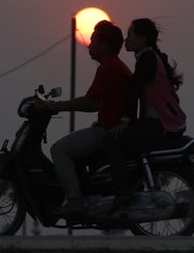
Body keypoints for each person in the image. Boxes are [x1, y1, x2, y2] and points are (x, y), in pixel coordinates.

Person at [37, 20, 132, 214]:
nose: (89, 45)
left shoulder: (109, 67)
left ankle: (75, 200)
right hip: (107, 126)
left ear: (105, 44)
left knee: (59, 149)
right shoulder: (115, 66)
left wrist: (55, 106)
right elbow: (96, 104)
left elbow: (89, 101)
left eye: (94, 41)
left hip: (106, 129)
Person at [105, 18, 186, 201]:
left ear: (141, 39)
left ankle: (122, 192)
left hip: (158, 123)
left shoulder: (147, 60)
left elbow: (132, 92)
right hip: (162, 122)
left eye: (130, 35)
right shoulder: (152, 58)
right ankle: (135, 184)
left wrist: (124, 123)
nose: (126, 40)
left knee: (111, 140)